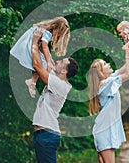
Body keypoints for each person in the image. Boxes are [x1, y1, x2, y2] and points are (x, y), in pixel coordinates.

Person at [31, 29, 79, 163]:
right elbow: (48, 60)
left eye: (60, 63)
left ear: (64, 71)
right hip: (43, 134)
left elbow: (37, 65)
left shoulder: (60, 85)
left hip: (47, 135)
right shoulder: (57, 78)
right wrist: (45, 42)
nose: (56, 62)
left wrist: (35, 40)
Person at [88, 46, 129, 163]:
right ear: (101, 72)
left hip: (104, 129)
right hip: (105, 131)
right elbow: (128, 74)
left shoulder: (108, 80)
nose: (109, 64)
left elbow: (123, 70)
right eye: (105, 64)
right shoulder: (107, 83)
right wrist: (127, 52)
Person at [10, 16, 70, 98]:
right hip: (29, 46)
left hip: (27, 43)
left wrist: (49, 58)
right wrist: (48, 61)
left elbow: (43, 47)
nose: (58, 35)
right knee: (43, 65)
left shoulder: (43, 28)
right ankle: (32, 81)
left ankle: (32, 81)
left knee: (43, 62)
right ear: (56, 27)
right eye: (59, 33)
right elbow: (44, 47)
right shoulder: (48, 33)